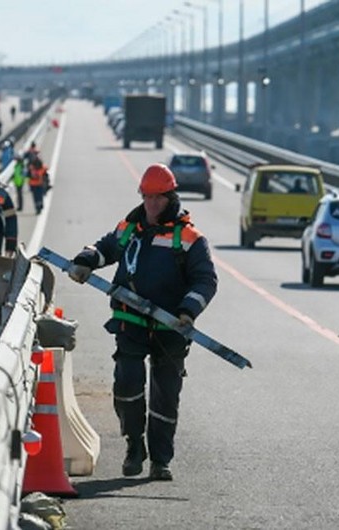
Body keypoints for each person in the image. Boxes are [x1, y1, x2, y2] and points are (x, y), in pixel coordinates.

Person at [67, 163, 218, 481]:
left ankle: (160, 460)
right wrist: (85, 260)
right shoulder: (129, 229)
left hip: (171, 327)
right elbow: (105, 248)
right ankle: (134, 446)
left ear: (171, 197)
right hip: (130, 320)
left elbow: (205, 281)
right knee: (127, 384)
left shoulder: (190, 239)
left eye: (158, 198)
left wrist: (187, 311)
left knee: (165, 394)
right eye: (147, 197)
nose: (151, 204)